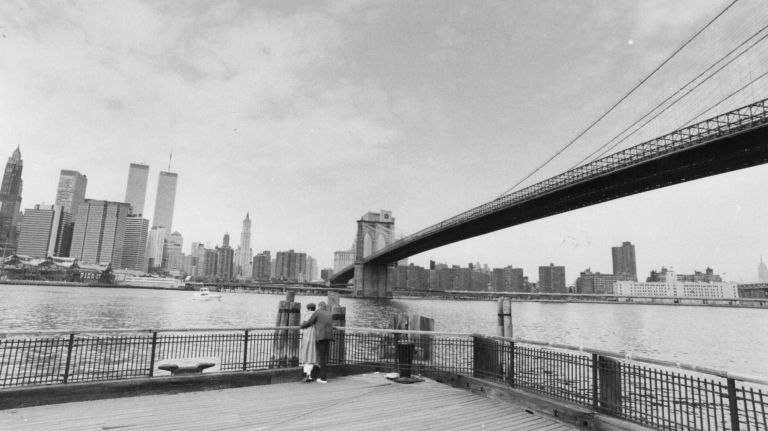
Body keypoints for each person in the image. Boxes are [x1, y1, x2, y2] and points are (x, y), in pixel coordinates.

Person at [299, 301, 334, 383]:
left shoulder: (316, 313)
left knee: (319, 357)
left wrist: (301, 326)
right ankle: (322, 376)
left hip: (318, 337)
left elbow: (308, 322)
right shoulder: (328, 313)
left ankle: (323, 378)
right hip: (327, 337)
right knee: (323, 357)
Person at [299, 303, 317, 382]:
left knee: (307, 354)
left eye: (307, 308)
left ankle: (308, 375)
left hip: (307, 336)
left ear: (309, 309)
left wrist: (301, 325)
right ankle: (308, 374)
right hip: (314, 336)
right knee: (311, 354)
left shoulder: (308, 315)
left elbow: (304, 324)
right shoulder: (316, 315)